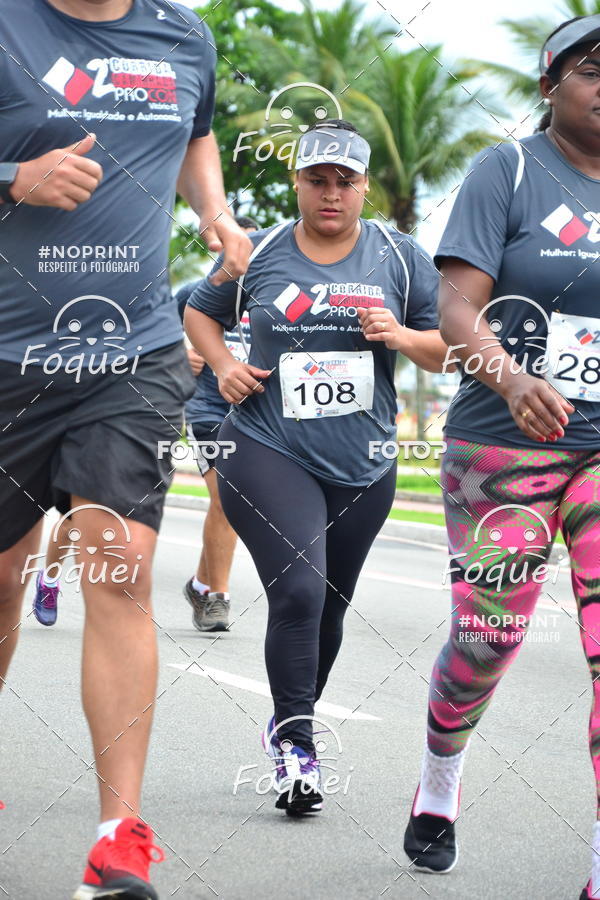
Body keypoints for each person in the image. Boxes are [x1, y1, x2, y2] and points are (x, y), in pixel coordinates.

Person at [0, 1, 251, 897]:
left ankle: (118, 841)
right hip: (7, 355)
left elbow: (196, 134)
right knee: (3, 578)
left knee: (120, 562)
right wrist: (12, 177)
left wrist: (215, 212)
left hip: (132, 352)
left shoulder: (184, 35)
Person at [185, 119, 449, 814]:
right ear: (297, 182)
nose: (331, 193)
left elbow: (447, 350)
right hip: (267, 445)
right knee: (299, 592)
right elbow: (200, 313)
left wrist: (401, 335)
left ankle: (288, 719)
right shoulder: (260, 251)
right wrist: (224, 365)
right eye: (317, 180)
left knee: (330, 605)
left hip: (363, 461)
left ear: (364, 188)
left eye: (345, 181)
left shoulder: (401, 257)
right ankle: (298, 749)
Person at [401, 16, 600, 898]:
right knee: (487, 641)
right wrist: (512, 378)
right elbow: (455, 308)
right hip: (504, 445)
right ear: (551, 85)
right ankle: (439, 778)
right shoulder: (508, 171)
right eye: (593, 69)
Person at [176, 214, 258, 632]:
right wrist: (179, 357)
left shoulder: (273, 298)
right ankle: (216, 599)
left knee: (234, 504)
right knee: (226, 498)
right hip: (208, 409)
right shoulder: (192, 294)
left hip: (257, 415)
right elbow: (150, 340)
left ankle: (199, 584)